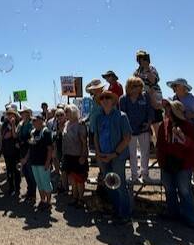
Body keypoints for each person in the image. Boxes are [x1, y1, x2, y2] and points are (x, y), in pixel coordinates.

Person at [157, 100, 194, 228]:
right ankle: (173, 213)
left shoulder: (187, 126)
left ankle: (191, 218)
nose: (166, 111)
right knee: (169, 189)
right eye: (166, 109)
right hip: (167, 162)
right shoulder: (163, 125)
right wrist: (161, 162)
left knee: (184, 190)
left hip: (184, 163)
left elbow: (193, 145)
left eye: (168, 109)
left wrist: (183, 138)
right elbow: (160, 144)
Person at [93, 90, 132, 224]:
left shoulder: (122, 116)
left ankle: (125, 214)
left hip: (117, 157)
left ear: (113, 100)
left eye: (107, 97)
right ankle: (116, 212)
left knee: (120, 185)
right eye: (102, 98)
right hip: (103, 156)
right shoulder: (99, 118)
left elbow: (127, 138)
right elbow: (96, 136)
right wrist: (99, 154)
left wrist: (114, 154)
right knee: (110, 185)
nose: (104, 100)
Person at [119, 77, 155, 182]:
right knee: (132, 154)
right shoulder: (123, 99)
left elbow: (150, 111)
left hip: (143, 130)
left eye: (139, 86)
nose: (137, 88)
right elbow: (122, 115)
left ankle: (145, 175)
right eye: (134, 86)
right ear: (129, 87)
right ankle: (134, 175)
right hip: (130, 131)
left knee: (145, 153)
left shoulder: (145, 97)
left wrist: (148, 124)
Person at [22, 114, 54, 210]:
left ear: (41, 121)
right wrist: (26, 159)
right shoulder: (33, 132)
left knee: (45, 182)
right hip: (34, 162)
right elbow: (30, 148)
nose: (33, 122)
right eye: (32, 121)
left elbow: (50, 148)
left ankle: (48, 202)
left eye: (35, 120)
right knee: (39, 183)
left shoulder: (46, 132)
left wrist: (48, 162)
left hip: (43, 162)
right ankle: (42, 200)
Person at [62, 105, 88, 208]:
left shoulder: (80, 124)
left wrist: (83, 155)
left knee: (79, 180)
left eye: (67, 111)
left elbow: (84, 142)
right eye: (65, 112)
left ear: (73, 112)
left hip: (78, 156)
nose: (66, 113)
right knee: (72, 179)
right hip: (68, 155)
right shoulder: (67, 124)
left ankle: (81, 199)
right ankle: (74, 197)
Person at [134, 49, 164, 130]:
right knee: (146, 123)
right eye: (139, 58)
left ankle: (159, 141)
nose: (141, 60)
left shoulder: (152, 69)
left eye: (143, 58)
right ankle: (150, 141)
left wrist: (147, 68)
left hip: (154, 96)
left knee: (156, 122)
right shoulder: (136, 72)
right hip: (143, 98)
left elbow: (154, 80)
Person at [17, 106, 35, 200]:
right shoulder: (21, 124)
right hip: (22, 150)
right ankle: (29, 191)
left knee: (30, 172)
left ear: (27, 113)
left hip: (29, 150)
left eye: (23, 112)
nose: (21, 114)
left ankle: (32, 194)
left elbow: (31, 140)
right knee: (26, 172)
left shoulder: (31, 124)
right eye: (21, 113)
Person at [1, 108, 21, 196]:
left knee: (16, 170)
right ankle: (11, 187)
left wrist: (13, 126)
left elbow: (15, 135)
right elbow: (5, 136)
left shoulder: (18, 124)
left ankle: (17, 188)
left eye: (11, 114)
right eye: (8, 114)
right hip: (7, 151)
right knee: (9, 170)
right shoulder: (4, 124)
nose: (9, 116)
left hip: (16, 151)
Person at [85, 79, 105, 149]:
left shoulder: (105, 98)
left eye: (96, 88)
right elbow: (91, 113)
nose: (94, 90)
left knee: (101, 148)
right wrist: (85, 119)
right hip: (92, 127)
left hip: (101, 128)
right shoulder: (92, 99)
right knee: (92, 149)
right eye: (93, 89)